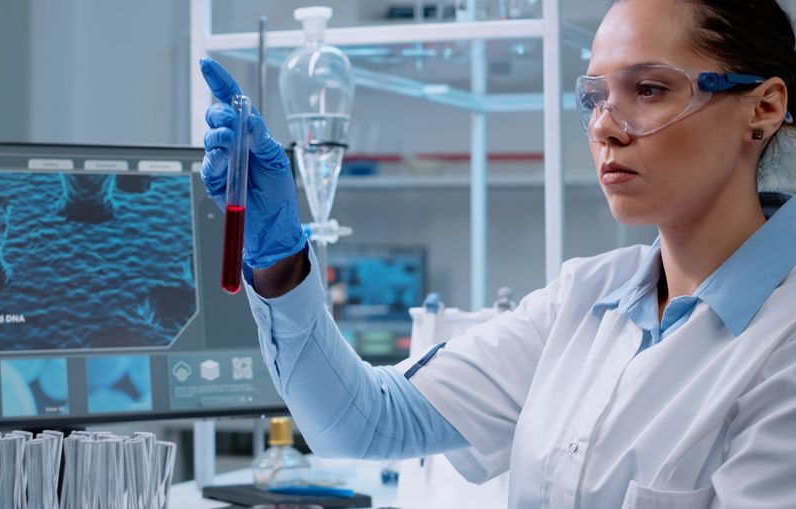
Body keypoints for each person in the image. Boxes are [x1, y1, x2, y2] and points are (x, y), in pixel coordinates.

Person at [199, 0, 796, 506]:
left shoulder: (782, 343)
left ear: (762, 108)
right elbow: (360, 422)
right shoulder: (583, 301)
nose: (604, 128)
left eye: (648, 89)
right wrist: (280, 263)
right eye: (594, 97)